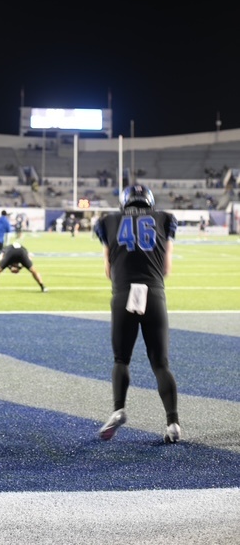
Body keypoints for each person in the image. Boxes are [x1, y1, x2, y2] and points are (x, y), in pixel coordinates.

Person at [94, 184, 181, 444]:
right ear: (150, 202)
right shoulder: (164, 219)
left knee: (121, 359)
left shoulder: (108, 221)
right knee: (160, 364)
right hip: (153, 292)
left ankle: (118, 408)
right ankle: (173, 423)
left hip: (123, 294)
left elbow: (108, 270)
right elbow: (166, 267)